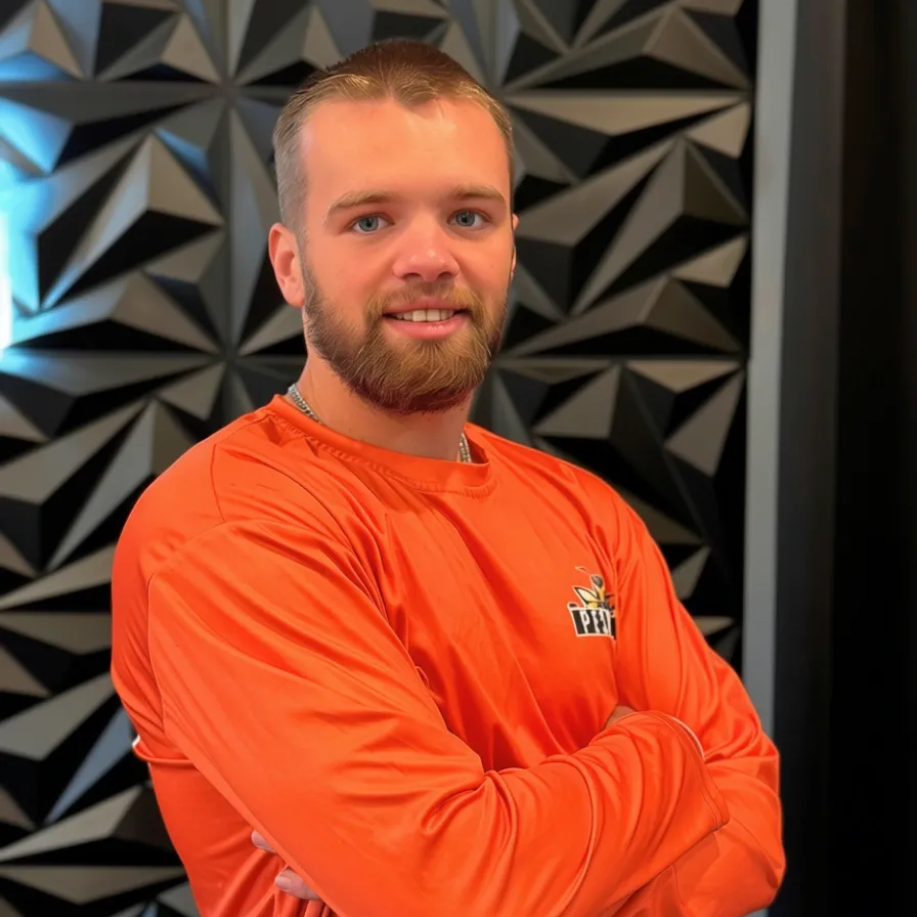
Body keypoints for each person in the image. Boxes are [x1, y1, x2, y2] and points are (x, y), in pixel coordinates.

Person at [110, 39, 784, 917]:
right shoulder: (226, 526)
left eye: (468, 216)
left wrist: (499, 851)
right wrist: (667, 754)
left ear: (510, 247)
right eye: (370, 221)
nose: (428, 257)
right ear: (289, 264)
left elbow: (751, 833)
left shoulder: (584, 511)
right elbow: (451, 892)